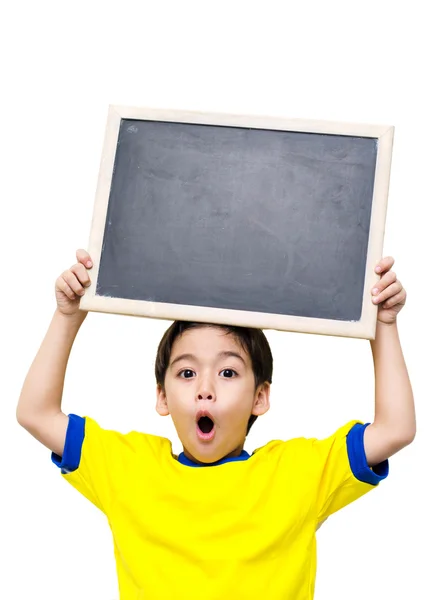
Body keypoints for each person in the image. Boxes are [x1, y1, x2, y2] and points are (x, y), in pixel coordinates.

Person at [16, 249, 415, 599]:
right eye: (187, 374)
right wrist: (68, 316)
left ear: (260, 397)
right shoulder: (128, 468)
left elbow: (395, 429)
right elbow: (36, 414)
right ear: (162, 397)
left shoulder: (296, 473)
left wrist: (383, 326)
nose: (205, 389)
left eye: (227, 373)